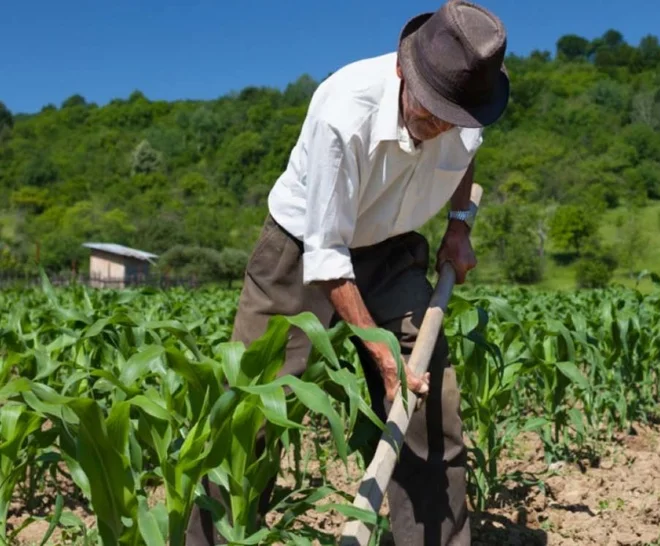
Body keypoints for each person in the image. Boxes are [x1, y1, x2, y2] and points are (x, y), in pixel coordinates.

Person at [184, 2, 509, 544]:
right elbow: (328, 257)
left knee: (431, 407)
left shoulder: (468, 100)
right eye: (430, 114)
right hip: (303, 252)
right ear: (404, 72)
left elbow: (465, 153)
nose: (439, 130)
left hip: (394, 247)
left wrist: (458, 225)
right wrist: (383, 359)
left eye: (454, 119)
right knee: (253, 413)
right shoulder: (344, 109)